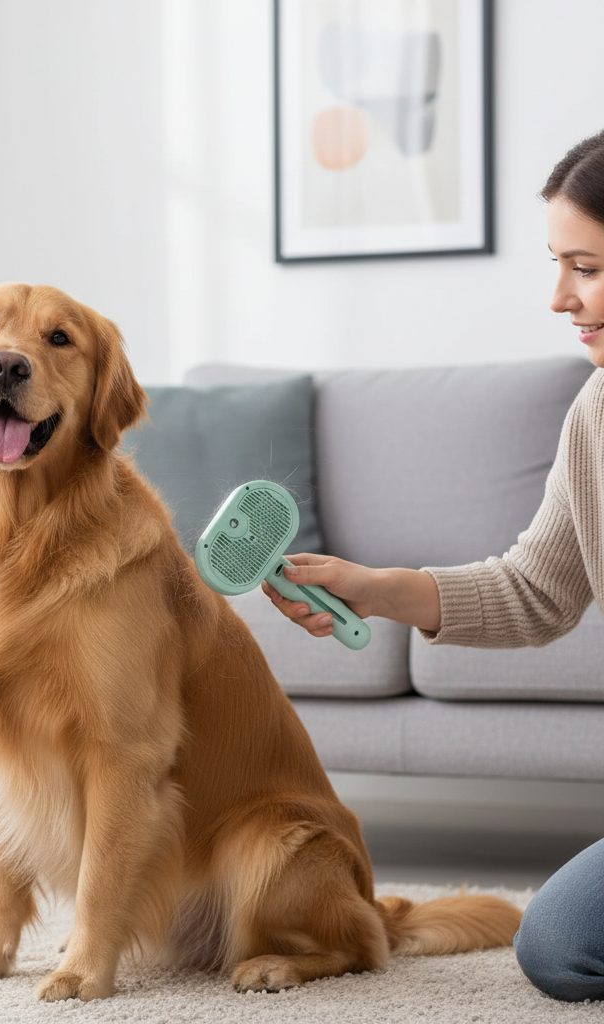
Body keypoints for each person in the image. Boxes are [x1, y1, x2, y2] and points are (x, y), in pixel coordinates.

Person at [263, 129, 604, 1003]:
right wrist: (373, 589)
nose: (561, 297)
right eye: (559, 264)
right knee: (558, 949)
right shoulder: (597, 411)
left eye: (587, 267)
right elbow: (537, 591)